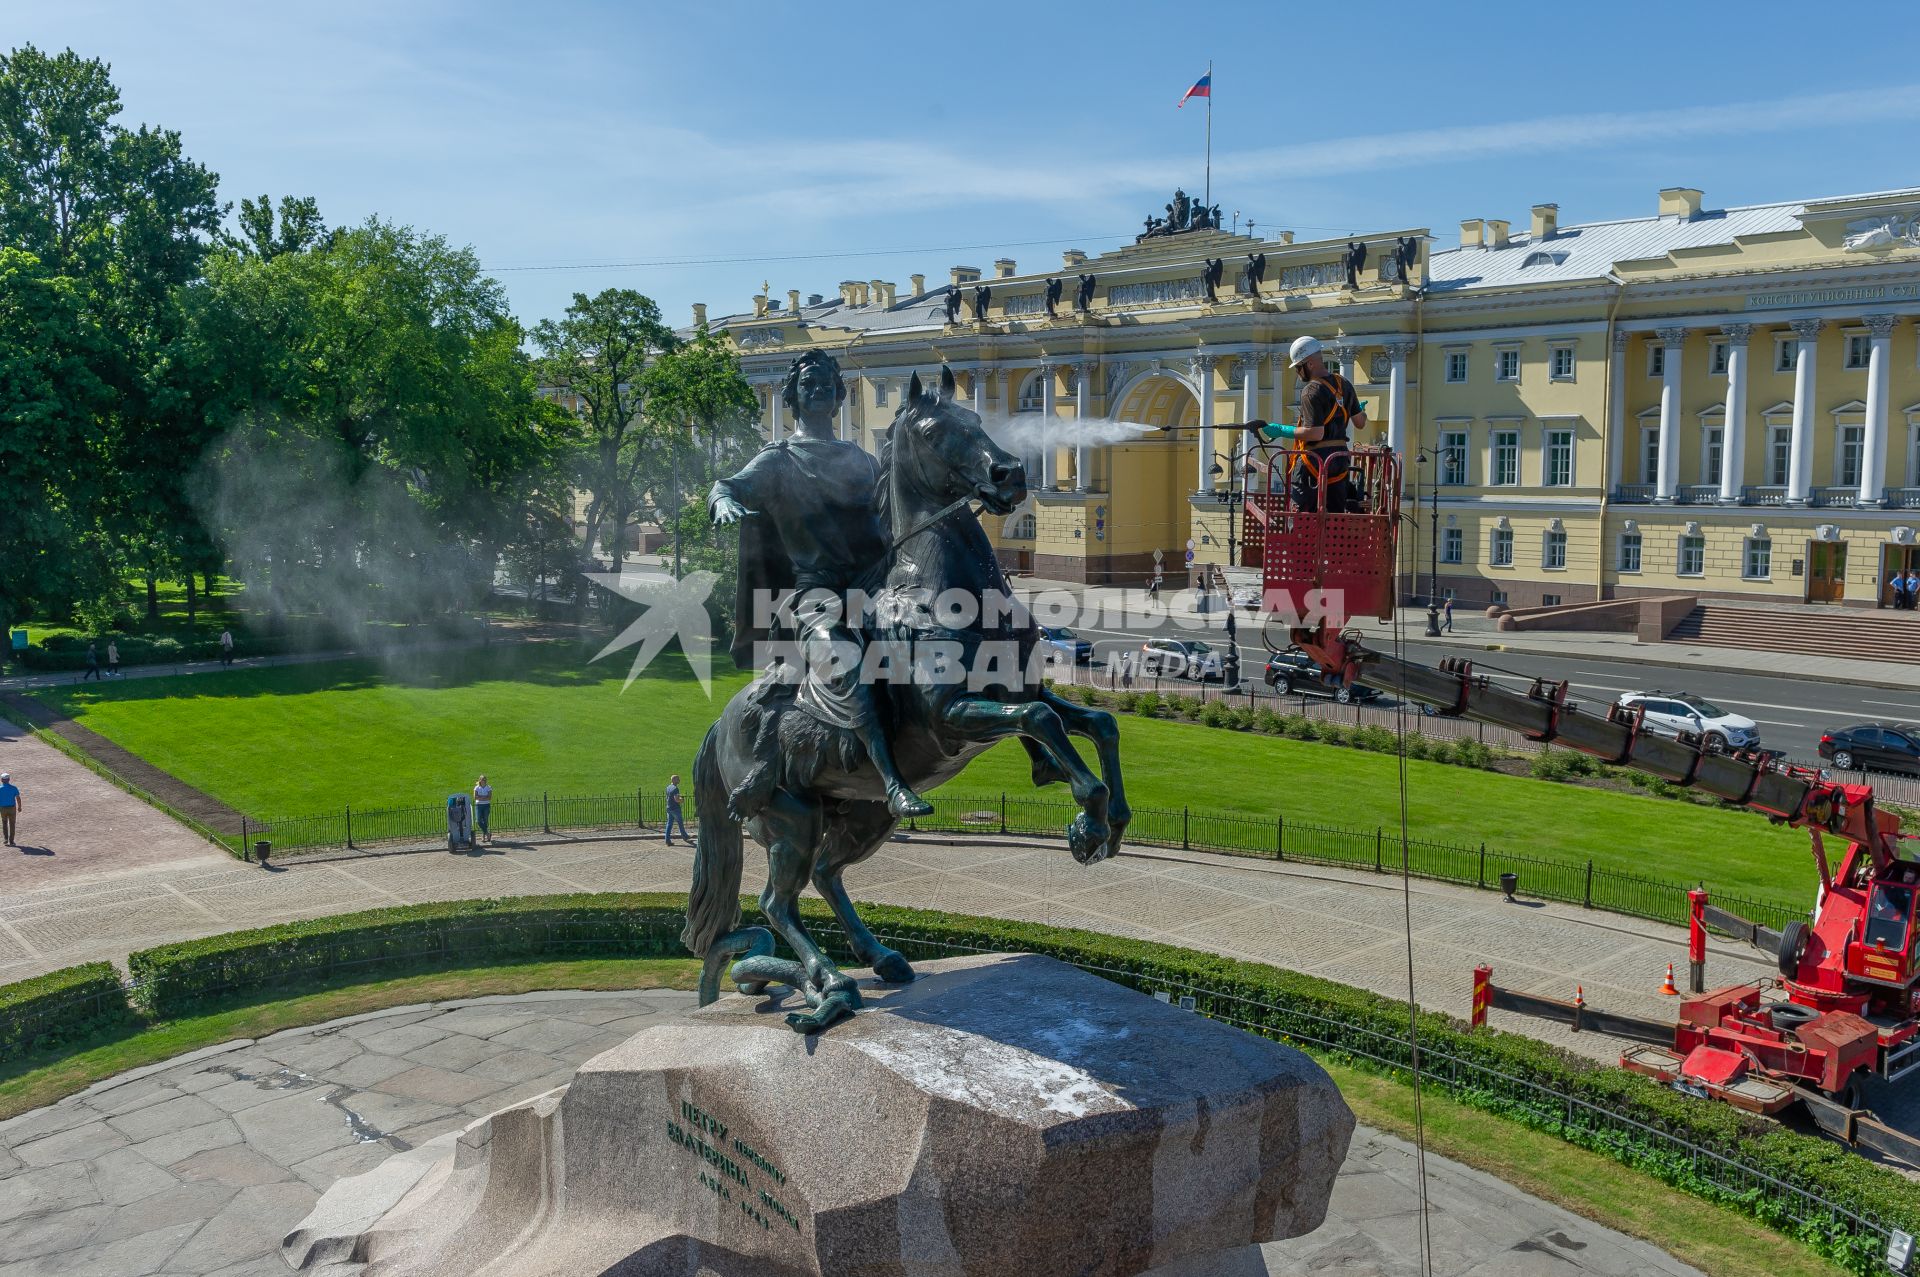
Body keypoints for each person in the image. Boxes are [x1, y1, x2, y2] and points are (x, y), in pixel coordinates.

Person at [710, 348, 932, 818]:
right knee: (849, 664)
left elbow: (893, 515)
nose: (817, 391)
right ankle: (893, 782)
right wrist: (724, 504)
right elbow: (726, 486)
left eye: (826, 385)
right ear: (793, 396)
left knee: (945, 636)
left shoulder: (862, 460)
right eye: (808, 384)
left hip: (873, 588)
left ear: (837, 398)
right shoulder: (777, 461)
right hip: (816, 595)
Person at [1246, 335, 1369, 513]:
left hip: (1316, 461)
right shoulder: (1345, 384)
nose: (1297, 372)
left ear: (1309, 364)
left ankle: (1303, 533)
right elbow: (1360, 422)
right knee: (1335, 511)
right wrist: (1359, 409)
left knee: (1303, 506)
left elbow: (1316, 433)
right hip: (1340, 460)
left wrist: (1283, 430)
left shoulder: (1310, 391)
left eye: (1298, 367)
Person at [664, 773, 688, 845]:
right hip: (675, 808)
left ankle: (667, 840)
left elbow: (667, 797)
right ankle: (685, 836)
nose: (679, 780)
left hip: (669, 808)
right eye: (678, 779)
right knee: (680, 822)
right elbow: (676, 799)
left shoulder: (668, 787)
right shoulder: (675, 789)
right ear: (674, 780)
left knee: (669, 824)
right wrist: (682, 800)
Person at [472, 774, 493, 844]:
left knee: (485, 821)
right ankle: (487, 833)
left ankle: (484, 836)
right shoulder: (476, 788)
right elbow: (475, 797)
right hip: (478, 805)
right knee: (478, 821)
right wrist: (484, 797)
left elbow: (489, 797)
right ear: (480, 780)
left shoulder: (488, 787)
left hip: (486, 805)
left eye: (485, 780)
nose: (484, 781)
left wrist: (481, 797)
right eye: (482, 779)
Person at [0, 772, 18, 847]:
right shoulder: (14, 788)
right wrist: (19, 807)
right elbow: (18, 798)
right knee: (12, 824)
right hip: (12, 808)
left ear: (1, 780)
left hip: (3, 808)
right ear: (9, 779)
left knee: (4, 823)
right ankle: (12, 841)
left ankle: (5, 839)